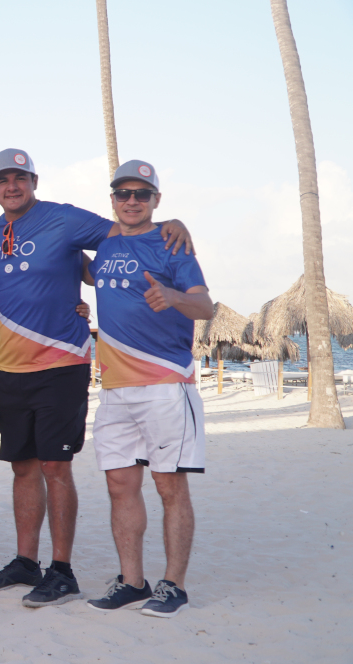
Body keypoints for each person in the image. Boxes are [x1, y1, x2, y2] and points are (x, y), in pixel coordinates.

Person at [0, 149, 194, 608]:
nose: (12, 186)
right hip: (10, 367)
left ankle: (61, 571)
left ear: (34, 181)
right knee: (22, 467)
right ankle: (25, 562)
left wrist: (171, 223)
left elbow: (126, 231)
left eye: (20, 178)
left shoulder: (65, 218)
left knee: (55, 467)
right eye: (3, 180)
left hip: (62, 363)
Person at [82, 160, 212, 618]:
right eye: (124, 193)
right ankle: (132, 581)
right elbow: (79, 269)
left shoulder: (172, 243)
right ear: (113, 199)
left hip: (165, 385)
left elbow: (205, 306)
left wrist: (174, 297)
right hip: (115, 389)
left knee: (168, 485)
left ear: (156, 199)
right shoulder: (104, 243)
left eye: (142, 194)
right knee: (120, 485)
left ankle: (173, 585)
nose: (132, 201)